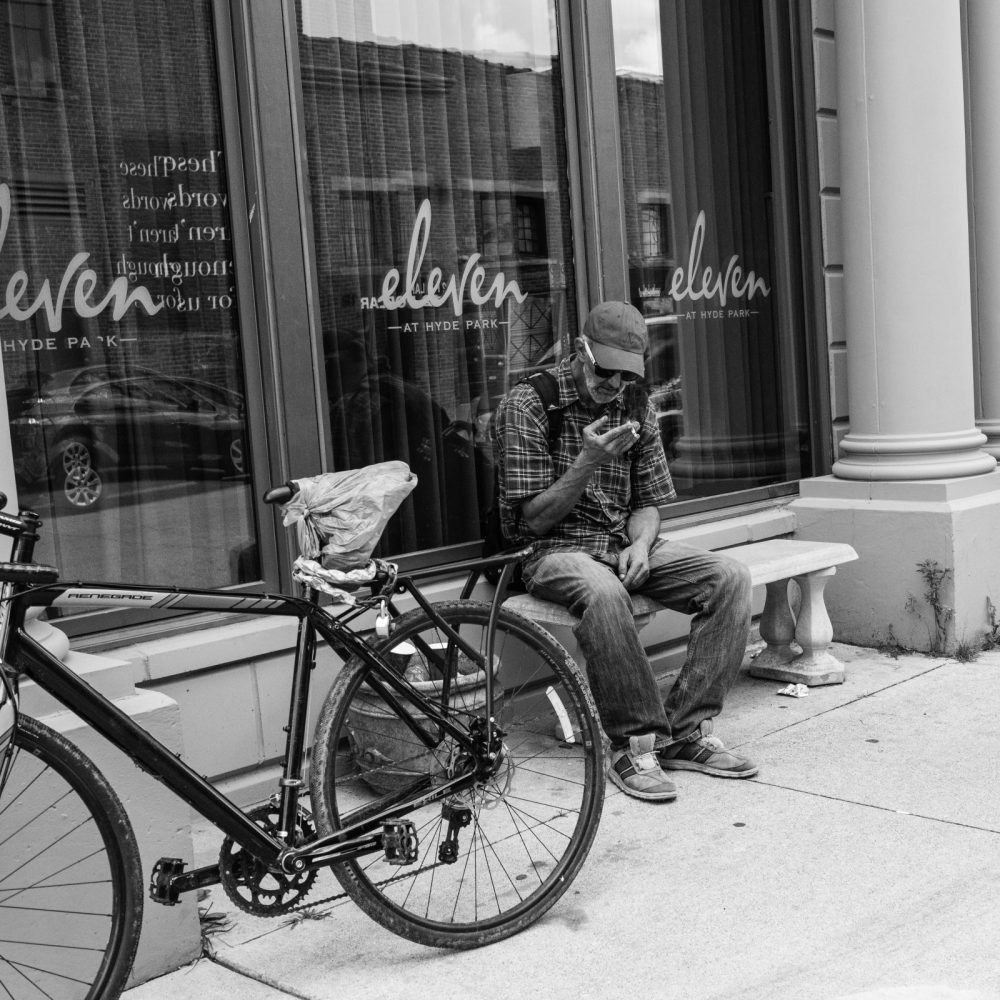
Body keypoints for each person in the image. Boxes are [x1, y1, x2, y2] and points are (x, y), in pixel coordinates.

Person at [492, 301, 757, 802]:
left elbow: (650, 502)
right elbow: (532, 519)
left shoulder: (635, 404)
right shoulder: (529, 404)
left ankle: (686, 731)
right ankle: (633, 743)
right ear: (580, 352)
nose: (613, 386)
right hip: (549, 550)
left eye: (625, 376)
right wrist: (588, 462)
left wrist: (639, 543)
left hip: (619, 542)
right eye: (604, 372)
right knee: (604, 590)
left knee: (729, 576)